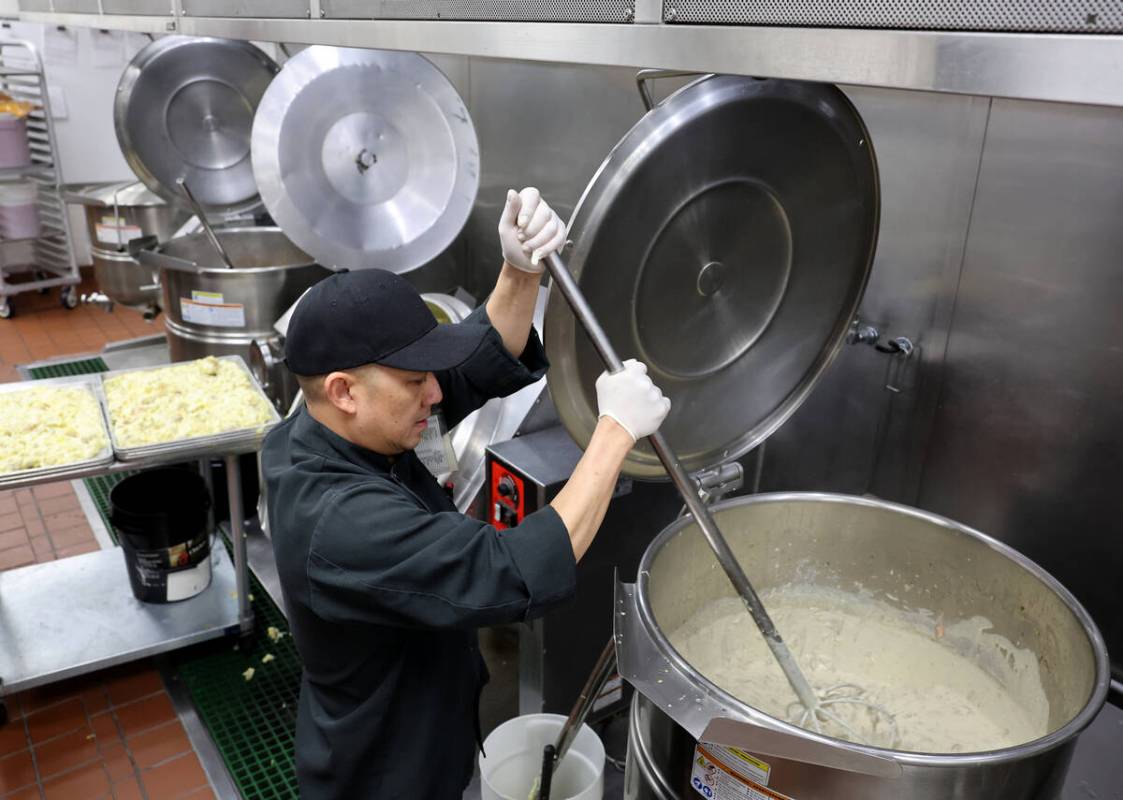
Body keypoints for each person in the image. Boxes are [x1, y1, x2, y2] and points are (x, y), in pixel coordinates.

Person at [262, 188, 670, 799]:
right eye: (413, 381)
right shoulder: (339, 520)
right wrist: (615, 435)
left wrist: (520, 270)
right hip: (387, 768)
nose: (434, 395)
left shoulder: (332, 426)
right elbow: (511, 572)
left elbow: (472, 363)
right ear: (345, 391)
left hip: (427, 707)